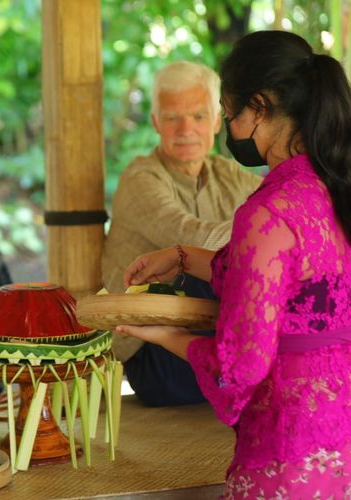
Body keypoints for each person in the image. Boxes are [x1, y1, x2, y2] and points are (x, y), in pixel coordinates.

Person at [117, 31, 351, 497]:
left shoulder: (268, 211)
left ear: (258, 108)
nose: (226, 127)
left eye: (225, 113)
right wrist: (182, 256)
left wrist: (164, 334)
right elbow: (287, 279)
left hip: (298, 443)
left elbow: (239, 368)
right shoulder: (337, 185)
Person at [101, 61, 262, 406]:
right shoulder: (140, 178)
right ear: (157, 123)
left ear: (218, 122)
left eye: (199, 116)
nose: (185, 129)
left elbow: (282, 205)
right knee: (205, 265)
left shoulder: (227, 174)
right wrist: (277, 229)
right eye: (173, 117)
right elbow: (192, 240)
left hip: (213, 338)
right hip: (153, 351)